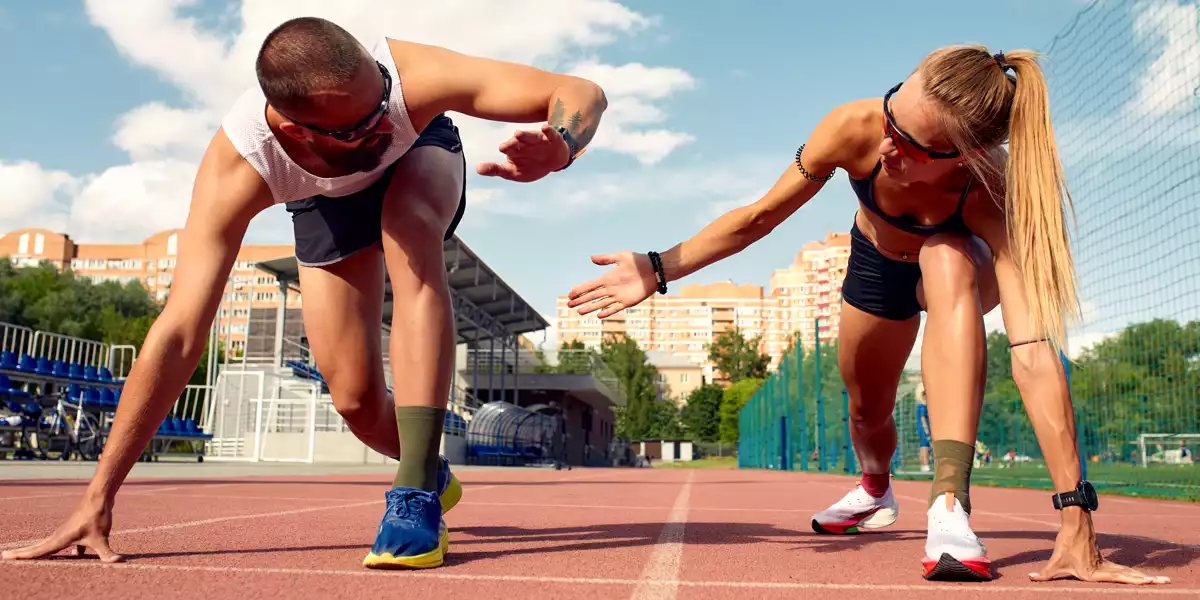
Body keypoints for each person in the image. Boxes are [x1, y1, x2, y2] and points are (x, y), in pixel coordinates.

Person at [1, 17, 606, 570]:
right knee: (356, 404)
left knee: (409, 226)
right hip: (325, 201)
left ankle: (415, 489)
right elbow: (181, 330)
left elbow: (581, 92)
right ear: (296, 131)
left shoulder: (410, 81)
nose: (381, 127)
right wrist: (98, 495)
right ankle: (428, 464)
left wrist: (562, 142)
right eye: (360, 127)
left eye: (382, 107)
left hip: (423, 161)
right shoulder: (241, 166)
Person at [565, 45, 1169, 586]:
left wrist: (1076, 514)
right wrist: (659, 266)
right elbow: (759, 217)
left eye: (908, 147)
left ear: (968, 155)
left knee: (946, 254)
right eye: (892, 120)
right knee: (866, 408)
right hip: (876, 265)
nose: (886, 147)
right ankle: (876, 490)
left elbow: (1034, 349)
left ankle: (950, 506)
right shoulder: (854, 126)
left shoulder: (994, 192)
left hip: (961, 271)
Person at [915, 380, 932, 473]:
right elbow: (922, 418)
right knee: (925, 446)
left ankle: (924, 465)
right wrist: (926, 430)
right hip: (924, 429)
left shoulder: (920, 405)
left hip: (922, 428)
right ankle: (925, 465)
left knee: (923, 446)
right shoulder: (922, 406)